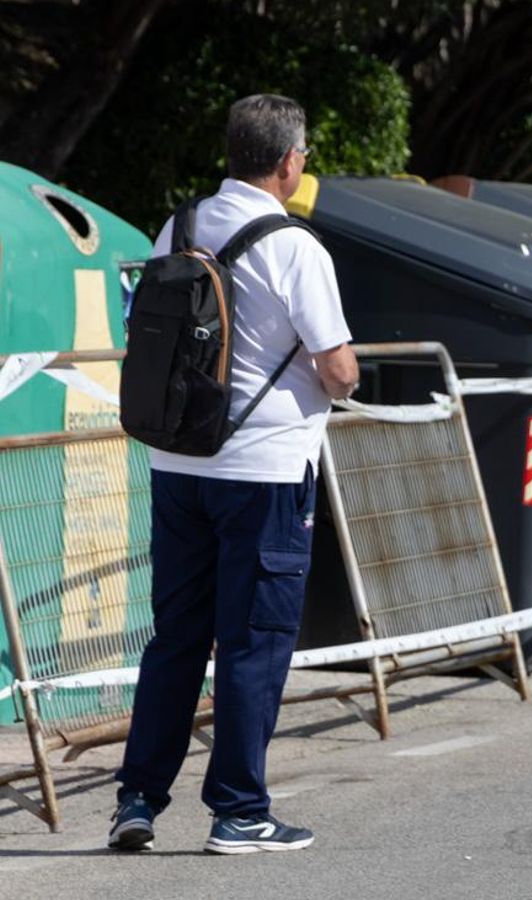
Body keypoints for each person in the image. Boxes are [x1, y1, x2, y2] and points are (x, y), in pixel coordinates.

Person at [109, 94, 358, 854]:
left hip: (176, 462)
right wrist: (342, 377)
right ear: (290, 161)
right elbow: (338, 369)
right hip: (266, 470)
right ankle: (239, 811)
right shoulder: (297, 248)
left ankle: (137, 801)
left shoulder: (176, 227)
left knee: (176, 636)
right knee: (253, 640)